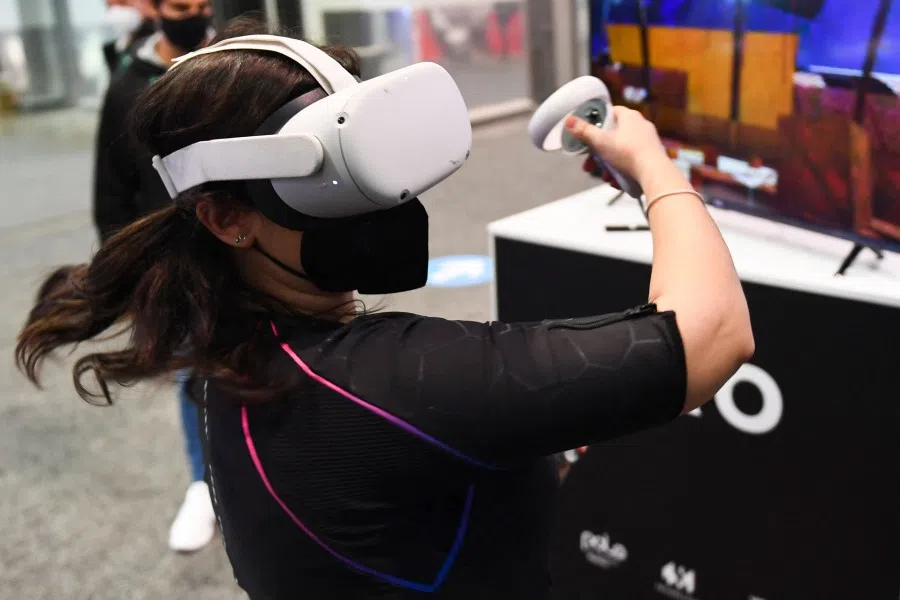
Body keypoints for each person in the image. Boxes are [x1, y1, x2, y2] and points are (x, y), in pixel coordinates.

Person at [19, 16, 754, 599]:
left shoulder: (235, 352)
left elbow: (394, 477)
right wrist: (655, 166)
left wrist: (523, 452)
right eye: (328, 176)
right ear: (224, 217)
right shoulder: (390, 380)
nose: (378, 203)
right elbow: (714, 333)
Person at [92, 0, 216, 553]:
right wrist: (126, 271)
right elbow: (112, 186)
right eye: (180, 5)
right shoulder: (128, 88)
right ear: (159, 9)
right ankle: (203, 484)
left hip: (243, 245)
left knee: (267, 356)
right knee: (192, 371)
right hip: (171, 261)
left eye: (202, 5)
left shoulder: (233, 64)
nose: (192, 14)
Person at [102, 0, 156, 74]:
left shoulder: (157, 41)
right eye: (110, 6)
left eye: (122, 3)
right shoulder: (113, 48)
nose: (116, 11)